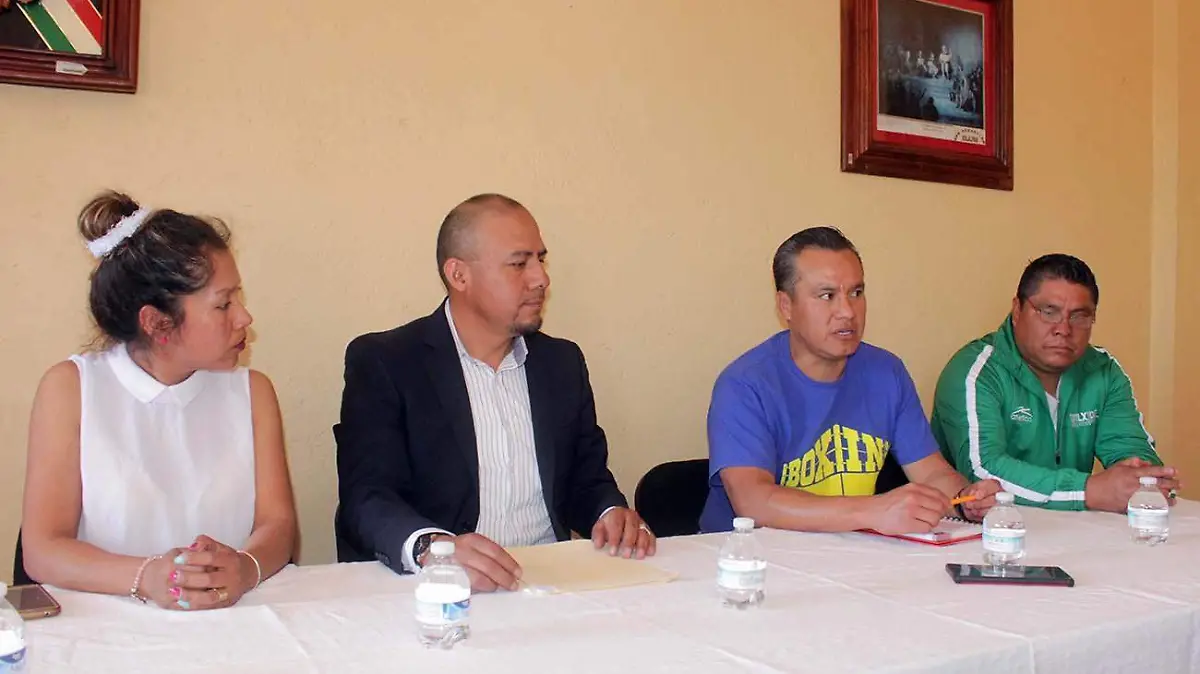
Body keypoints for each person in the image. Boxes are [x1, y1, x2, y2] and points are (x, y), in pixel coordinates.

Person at [334, 193, 655, 593]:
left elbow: (585, 479)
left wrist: (609, 512)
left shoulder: (561, 363)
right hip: (441, 591)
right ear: (459, 275)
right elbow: (367, 497)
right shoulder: (387, 362)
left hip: (551, 583)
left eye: (541, 260)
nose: (540, 279)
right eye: (519, 264)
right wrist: (434, 550)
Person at [21, 191, 298, 610]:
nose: (244, 317)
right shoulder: (72, 389)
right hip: (106, 622)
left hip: (231, 621)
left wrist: (245, 567)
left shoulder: (252, 391)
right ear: (157, 323)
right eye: (223, 304)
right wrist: (146, 577)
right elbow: (43, 549)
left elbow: (277, 525)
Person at [699, 227, 999, 534]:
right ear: (786, 306)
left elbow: (932, 474)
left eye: (856, 293)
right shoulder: (745, 385)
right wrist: (874, 511)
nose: (847, 312)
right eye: (827, 296)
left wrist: (965, 500)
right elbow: (754, 503)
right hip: (746, 556)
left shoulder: (887, 373)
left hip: (846, 552)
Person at [931, 254, 1181, 512]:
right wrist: (1087, 491)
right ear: (1017, 310)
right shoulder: (976, 370)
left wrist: (1142, 480)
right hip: (989, 528)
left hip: (1076, 528)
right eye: (1049, 312)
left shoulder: (1103, 371)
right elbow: (983, 471)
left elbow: (1133, 452)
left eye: (1079, 316)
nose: (1064, 329)